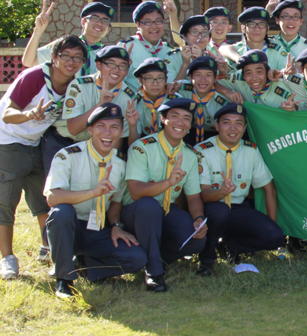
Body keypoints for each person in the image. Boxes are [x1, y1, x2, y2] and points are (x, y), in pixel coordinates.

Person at [0, 35, 86, 279]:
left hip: (37, 143)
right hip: (8, 141)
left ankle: (48, 248)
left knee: (43, 200)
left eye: (77, 58)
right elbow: (7, 114)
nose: (71, 62)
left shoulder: (75, 84)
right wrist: (29, 115)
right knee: (6, 203)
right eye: (66, 56)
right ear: (55, 57)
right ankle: (7, 258)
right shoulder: (35, 77)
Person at [44, 104, 146, 298]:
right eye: (101, 126)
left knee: (137, 258)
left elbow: (116, 202)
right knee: (61, 212)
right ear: (90, 130)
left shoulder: (120, 164)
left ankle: (85, 266)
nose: (108, 133)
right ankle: (64, 279)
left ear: (121, 131)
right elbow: (52, 197)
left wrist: (115, 225)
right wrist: (92, 192)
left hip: (97, 228)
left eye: (114, 127)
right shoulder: (68, 155)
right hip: (68, 227)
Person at [123, 98, 207, 292]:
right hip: (136, 213)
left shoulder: (190, 155)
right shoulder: (142, 147)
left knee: (196, 240)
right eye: (174, 116)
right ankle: (153, 272)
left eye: (186, 118)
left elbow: (194, 197)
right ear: (163, 119)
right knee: (148, 206)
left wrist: (198, 219)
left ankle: (156, 257)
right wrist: (168, 182)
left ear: (190, 126)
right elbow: (135, 192)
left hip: (166, 209)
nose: (180, 122)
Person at [194, 103, 285, 275]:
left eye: (238, 123)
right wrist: (221, 192)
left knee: (275, 237)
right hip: (211, 208)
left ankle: (231, 247)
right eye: (227, 122)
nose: (233, 128)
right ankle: (206, 260)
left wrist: (272, 224)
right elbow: (202, 196)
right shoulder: (203, 151)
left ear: (244, 128)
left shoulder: (251, 150)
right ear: (217, 126)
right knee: (219, 212)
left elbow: (268, 189)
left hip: (238, 208)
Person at [63, 45, 137, 145]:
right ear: (98, 65)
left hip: (104, 146)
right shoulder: (80, 85)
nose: (116, 70)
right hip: (68, 142)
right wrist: (100, 105)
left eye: (122, 66)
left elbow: (118, 139)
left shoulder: (128, 97)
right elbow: (73, 130)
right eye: (111, 64)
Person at [22, 1, 113, 77]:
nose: (100, 23)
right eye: (95, 18)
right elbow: (28, 61)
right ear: (83, 21)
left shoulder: (109, 55)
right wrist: (37, 32)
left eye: (105, 20)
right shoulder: (64, 45)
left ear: (108, 28)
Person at [119, 0, 183, 89]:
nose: (154, 26)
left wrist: (173, 15)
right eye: (147, 22)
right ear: (138, 24)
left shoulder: (170, 51)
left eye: (158, 21)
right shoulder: (127, 47)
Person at [174, 56, 231, 145]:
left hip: (214, 136)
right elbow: (171, 87)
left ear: (215, 78)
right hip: (186, 133)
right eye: (198, 75)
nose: (203, 80)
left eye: (208, 75)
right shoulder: (182, 89)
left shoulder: (223, 100)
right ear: (190, 77)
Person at [130, 58, 176, 139]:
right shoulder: (134, 102)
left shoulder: (175, 100)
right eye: (149, 78)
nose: (155, 83)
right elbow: (134, 141)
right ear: (140, 81)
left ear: (166, 80)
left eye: (160, 78)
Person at [268, 0, 307, 70]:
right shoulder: (267, 43)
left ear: (301, 21)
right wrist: (266, 13)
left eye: (296, 17)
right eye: (286, 16)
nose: (291, 21)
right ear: (277, 20)